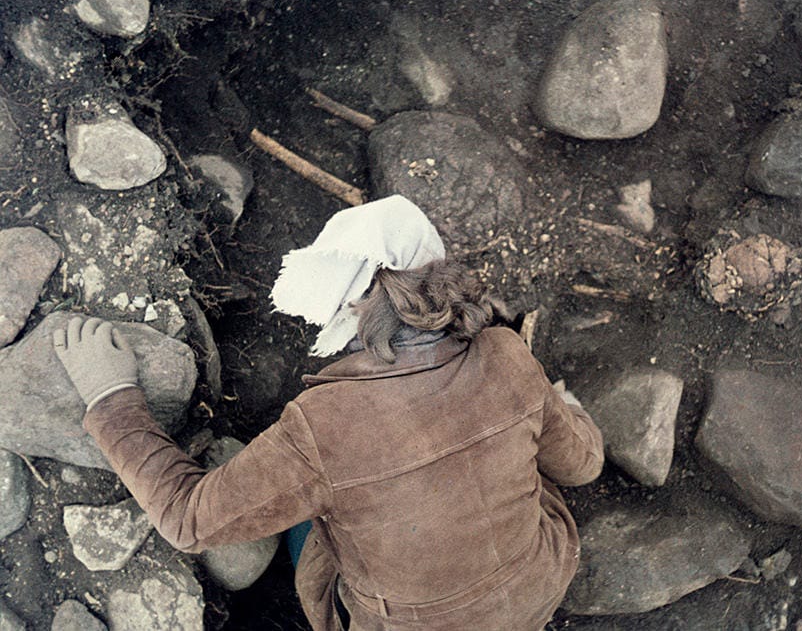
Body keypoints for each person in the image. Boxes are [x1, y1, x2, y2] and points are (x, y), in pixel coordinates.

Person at [52, 195, 604, 631]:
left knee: (304, 513)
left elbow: (186, 520)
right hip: (539, 587)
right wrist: (562, 409)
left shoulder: (322, 425)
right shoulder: (508, 356)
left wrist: (111, 399)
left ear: (348, 310)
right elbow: (582, 467)